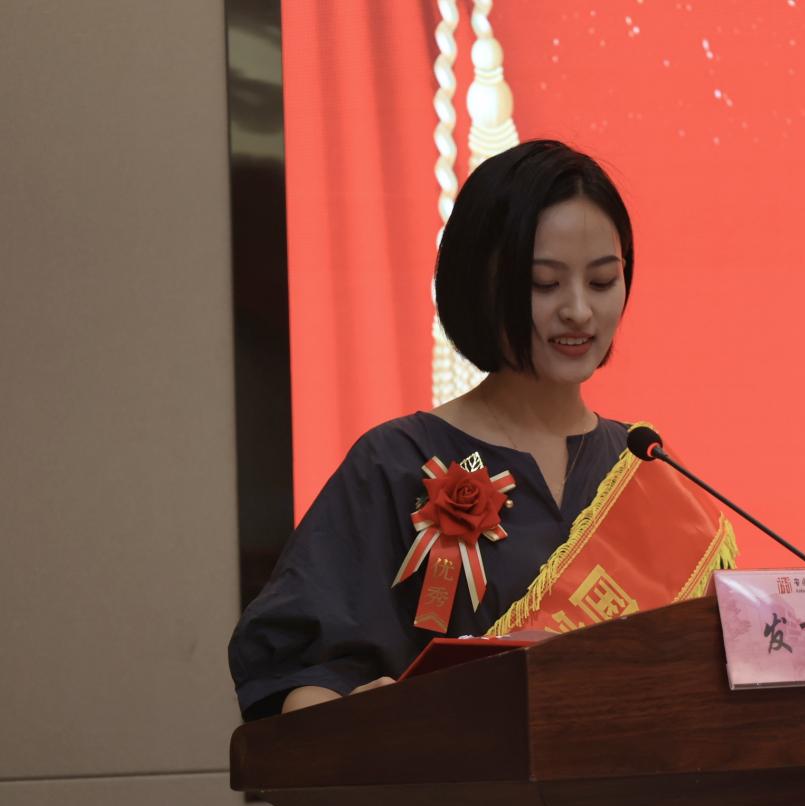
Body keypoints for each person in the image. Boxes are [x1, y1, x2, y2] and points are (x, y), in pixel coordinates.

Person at [228, 140, 639, 720]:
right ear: (480, 283)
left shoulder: (644, 469)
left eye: (602, 282)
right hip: (461, 777)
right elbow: (300, 677)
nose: (578, 310)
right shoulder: (397, 462)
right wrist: (350, 717)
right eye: (544, 284)